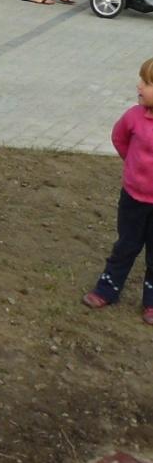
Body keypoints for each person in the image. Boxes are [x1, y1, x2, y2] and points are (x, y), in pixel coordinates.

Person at [82, 57, 153, 325]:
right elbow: (119, 138)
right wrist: (133, 165)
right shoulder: (133, 117)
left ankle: (151, 302)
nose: (139, 86)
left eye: (146, 83)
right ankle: (106, 289)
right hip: (133, 199)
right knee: (126, 245)